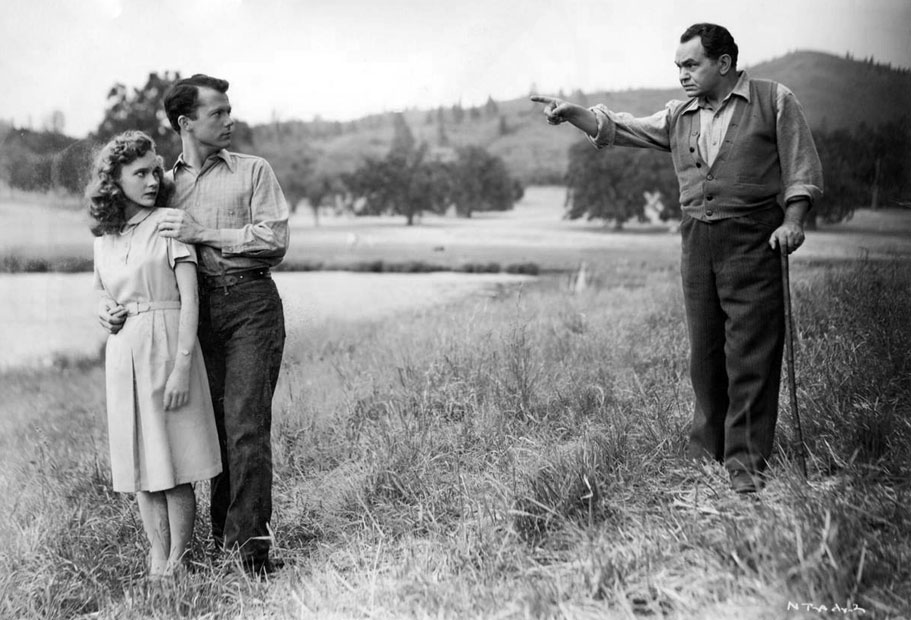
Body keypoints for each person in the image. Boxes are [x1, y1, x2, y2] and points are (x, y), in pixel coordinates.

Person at [532, 23, 823, 493]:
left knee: (751, 353)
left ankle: (746, 467)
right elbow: (622, 128)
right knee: (705, 355)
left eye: (691, 65)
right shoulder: (679, 113)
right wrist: (574, 114)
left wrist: (793, 221)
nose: (683, 75)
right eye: (678, 67)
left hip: (755, 240)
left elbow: (801, 168)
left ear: (723, 63)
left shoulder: (775, 100)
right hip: (697, 242)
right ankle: (705, 456)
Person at [89, 130, 222, 579]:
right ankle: (157, 558)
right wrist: (103, 309)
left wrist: (183, 366)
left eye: (154, 171)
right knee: (140, 464)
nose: (152, 181)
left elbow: (191, 299)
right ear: (114, 180)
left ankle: (179, 560)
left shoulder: (168, 223)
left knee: (174, 460)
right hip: (124, 354)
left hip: (167, 346)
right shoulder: (104, 239)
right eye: (139, 174)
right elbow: (99, 291)